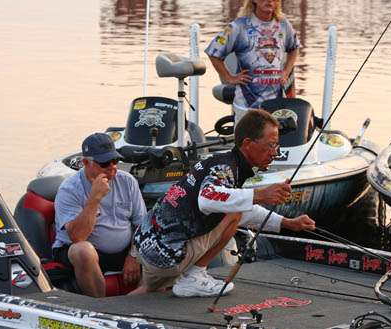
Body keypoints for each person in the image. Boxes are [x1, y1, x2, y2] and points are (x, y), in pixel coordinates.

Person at [131, 109, 315, 297]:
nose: (274, 153)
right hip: (168, 253)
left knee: (149, 293)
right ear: (248, 144)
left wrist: (287, 223)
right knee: (234, 212)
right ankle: (194, 277)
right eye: (271, 145)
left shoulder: (220, 161)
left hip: (149, 246)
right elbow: (208, 199)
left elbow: (236, 204)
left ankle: (109, 311)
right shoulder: (225, 168)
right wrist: (259, 194)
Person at [53, 133, 147, 297]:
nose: (112, 167)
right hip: (83, 251)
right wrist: (94, 199)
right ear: (85, 162)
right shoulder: (69, 189)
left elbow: (142, 224)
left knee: (158, 242)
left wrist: (133, 256)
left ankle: (147, 304)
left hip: (124, 251)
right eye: (104, 163)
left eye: (115, 160)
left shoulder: (128, 181)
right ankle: (99, 306)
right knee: (83, 250)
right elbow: (77, 237)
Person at [205, 0, 300, 123]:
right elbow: (213, 52)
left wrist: (286, 72)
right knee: (246, 142)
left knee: (273, 141)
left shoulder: (284, 24)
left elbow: (294, 48)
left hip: (276, 106)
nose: (270, 1)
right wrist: (229, 77)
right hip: (246, 107)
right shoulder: (238, 26)